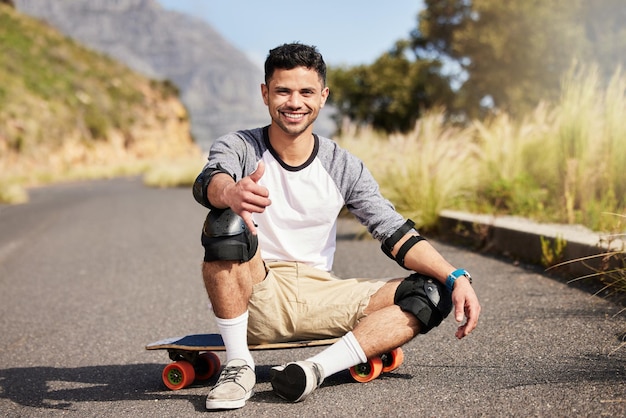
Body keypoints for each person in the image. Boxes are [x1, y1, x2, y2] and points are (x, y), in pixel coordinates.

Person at [192, 42, 481, 410]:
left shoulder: (342, 165)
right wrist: (230, 192)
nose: (294, 102)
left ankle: (314, 370)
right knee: (225, 221)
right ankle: (238, 365)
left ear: (323, 97)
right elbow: (209, 180)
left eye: (306, 92)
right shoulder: (240, 146)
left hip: (323, 297)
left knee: (433, 289)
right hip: (256, 291)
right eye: (283, 90)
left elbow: (394, 231)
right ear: (265, 93)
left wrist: (456, 276)